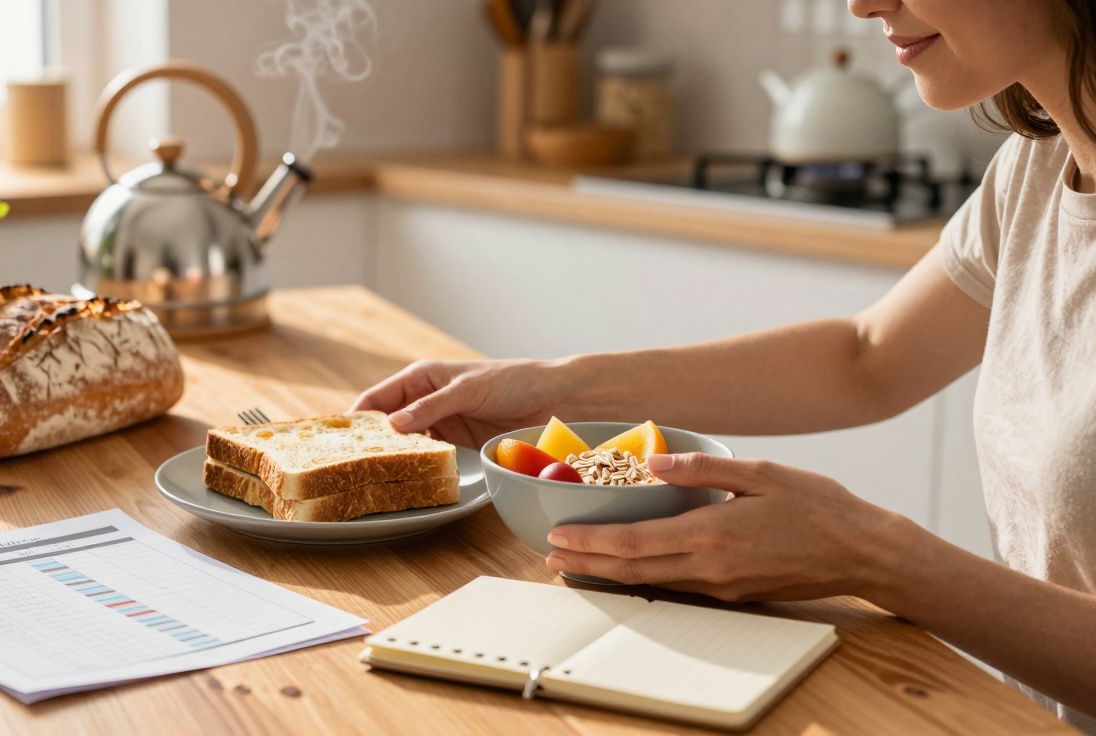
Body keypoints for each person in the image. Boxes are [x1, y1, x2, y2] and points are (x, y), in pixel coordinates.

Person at [352, 0, 1096, 729]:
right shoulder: (1037, 166)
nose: (863, 5)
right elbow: (866, 359)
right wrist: (552, 389)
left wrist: (877, 558)